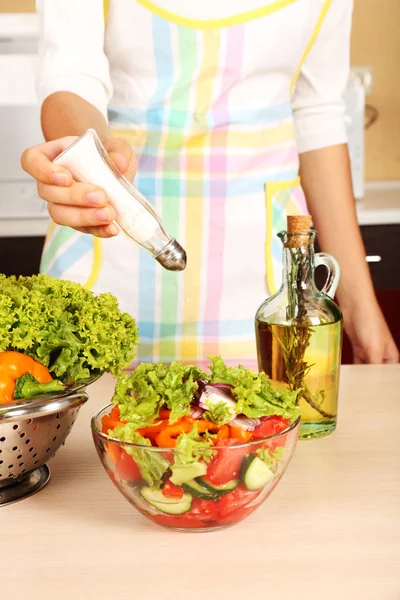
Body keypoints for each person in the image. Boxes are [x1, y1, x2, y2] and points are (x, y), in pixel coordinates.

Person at [22, 0, 398, 367]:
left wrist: (359, 304)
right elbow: (71, 79)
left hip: (260, 285)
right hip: (106, 263)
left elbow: (317, 115)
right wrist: (89, 162)